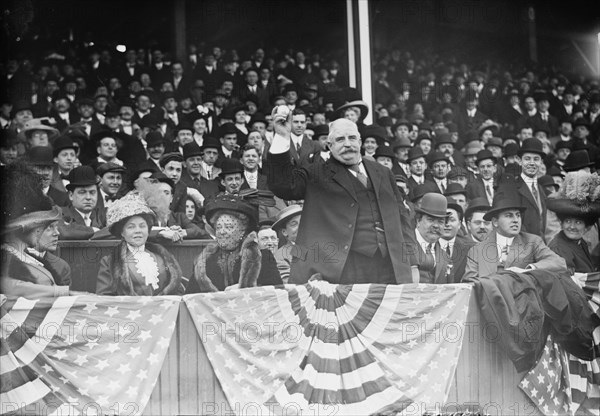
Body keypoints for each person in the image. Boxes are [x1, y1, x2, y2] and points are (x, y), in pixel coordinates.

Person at [268, 110, 413, 284]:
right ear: (329, 145)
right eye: (339, 140)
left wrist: (413, 264)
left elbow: (402, 218)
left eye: (352, 138)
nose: (347, 144)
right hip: (342, 268)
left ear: (360, 142)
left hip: (388, 265)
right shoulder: (317, 172)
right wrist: (282, 136)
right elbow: (284, 185)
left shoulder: (382, 172)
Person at [0, 162, 81, 298]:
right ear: (21, 226)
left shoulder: (27, 258)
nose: (41, 228)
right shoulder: (7, 262)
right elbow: (13, 287)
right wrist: (65, 292)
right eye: (41, 224)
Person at [96, 182, 184, 295]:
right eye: (131, 227)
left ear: (148, 230)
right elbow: (105, 298)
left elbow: (177, 290)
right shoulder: (110, 261)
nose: (138, 230)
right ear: (122, 232)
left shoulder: (162, 256)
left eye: (142, 226)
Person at [186, 193, 283, 292]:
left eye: (229, 227)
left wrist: (246, 290)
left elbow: (277, 293)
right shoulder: (204, 260)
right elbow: (189, 297)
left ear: (242, 230)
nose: (222, 232)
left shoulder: (263, 256)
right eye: (218, 227)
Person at [463, 192, 567, 281]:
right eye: (509, 216)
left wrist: (529, 269)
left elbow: (559, 263)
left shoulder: (532, 242)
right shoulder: (477, 250)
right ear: (495, 222)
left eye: (518, 215)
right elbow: (469, 282)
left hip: (524, 301)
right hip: (490, 299)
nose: (516, 220)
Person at [547, 172, 600, 275]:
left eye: (578, 222)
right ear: (561, 223)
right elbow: (567, 282)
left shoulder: (580, 242)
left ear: (586, 227)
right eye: (567, 221)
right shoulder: (559, 248)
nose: (572, 226)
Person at [59, 166, 105, 240]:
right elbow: (63, 232)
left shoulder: (104, 215)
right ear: (71, 195)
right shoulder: (60, 213)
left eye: (92, 192)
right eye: (82, 192)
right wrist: (92, 230)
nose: (88, 197)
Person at [440, 198, 476, 283]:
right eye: (443, 220)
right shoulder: (428, 245)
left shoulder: (472, 247)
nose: (447, 224)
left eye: (452, 220)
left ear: (459, 224)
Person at [272, 205, 302, 284]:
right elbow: (289, 284)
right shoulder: (280, 256)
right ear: (284, 232)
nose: (301, 226)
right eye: (294, 224)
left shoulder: (318, 247)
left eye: (303, 222)